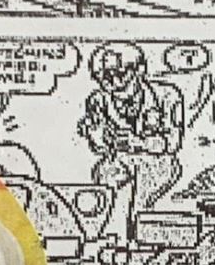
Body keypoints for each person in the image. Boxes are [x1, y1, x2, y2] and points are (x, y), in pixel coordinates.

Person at [78, 44, 186, 243]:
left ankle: (140, 239)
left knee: (142, 198)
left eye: (120, 74)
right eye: (104, 77)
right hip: (119, 160)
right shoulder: (98, 100)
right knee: (107, 182)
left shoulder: (167, 95)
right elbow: (99, 148)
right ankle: (110, 238)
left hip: (157, 161)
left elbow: (172, 143)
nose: (113, 83)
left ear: (139, 70)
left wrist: (137, 143)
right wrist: (97, 137)